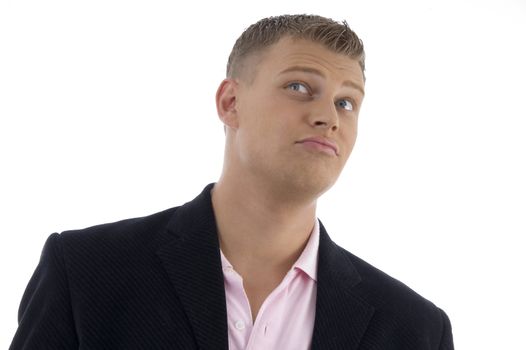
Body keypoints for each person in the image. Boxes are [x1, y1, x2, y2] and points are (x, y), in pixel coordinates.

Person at [10, 14, 454, 349]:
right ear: (230, 102)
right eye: (300, 87)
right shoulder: (87, 272)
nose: (327, 117)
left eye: (346, 101)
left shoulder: (414, 329)